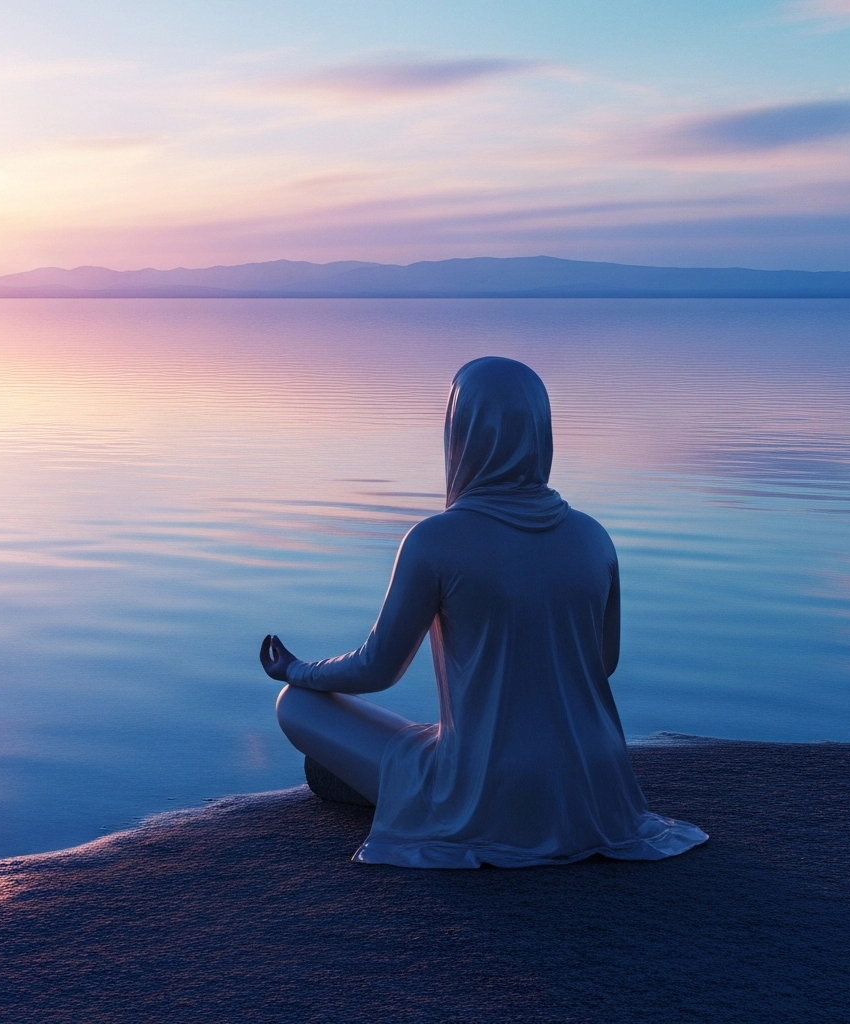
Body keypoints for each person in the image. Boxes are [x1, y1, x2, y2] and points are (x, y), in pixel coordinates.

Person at [259, 355, 708, 868]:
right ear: (542, 431)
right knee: (443, 732)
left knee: (295, 703)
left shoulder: (434, 542)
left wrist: (296, 669)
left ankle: (393, 787)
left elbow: (378, 668)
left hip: (487, 789)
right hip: (596, 783)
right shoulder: (593, 538)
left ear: (459, 432)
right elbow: (602, 663)